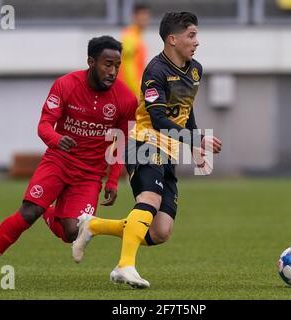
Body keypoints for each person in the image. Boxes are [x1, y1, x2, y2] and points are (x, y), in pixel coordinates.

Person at [0, 35, 137, 284]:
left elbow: (121, 140)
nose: (112, 71)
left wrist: (112, 181)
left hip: (90, 174)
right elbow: (44, 125)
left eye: (116, 66)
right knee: (28, 212)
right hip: (59, 161)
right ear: (91, 61)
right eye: (107, 64)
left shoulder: (126, 98)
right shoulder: (66, 85)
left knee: (72, 233)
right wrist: (57, 140)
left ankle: (49, 212)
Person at [72, 12, 223, 289]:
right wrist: (197, 139)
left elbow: (185, 111)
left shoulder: (195, 69)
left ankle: (93, 226)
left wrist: (194, 143)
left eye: (197, 35)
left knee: (161, 231)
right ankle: (124, 266)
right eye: (192, 35)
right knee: (150, 201)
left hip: (168, 150)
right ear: (172, 39)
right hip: (143, 143)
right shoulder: (155, 71)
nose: (197, 41)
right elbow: (159, 120)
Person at [118, 3, 151, 99]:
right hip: (129, 92)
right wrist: (137, 91)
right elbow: (128, 67)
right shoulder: (130, 37)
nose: (144, 19)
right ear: (134, 16)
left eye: (146, 16)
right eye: (141, 15)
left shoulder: (137, 37)